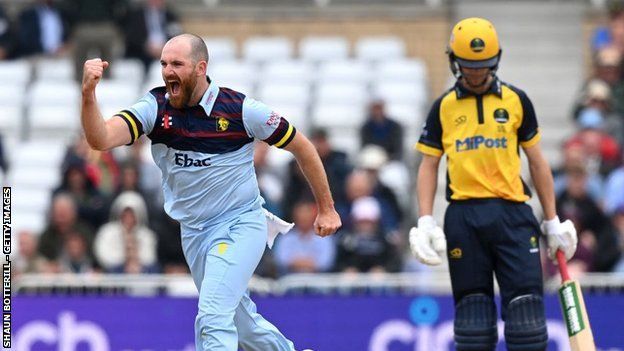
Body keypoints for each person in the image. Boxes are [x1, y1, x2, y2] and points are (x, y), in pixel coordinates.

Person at [80, 33, 341, 351]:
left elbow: (303, 147)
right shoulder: (155, 107)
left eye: (177, 64)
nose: (168, 71)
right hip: (194, 234)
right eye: (164, 64)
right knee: (243, 325)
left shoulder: (240, 109)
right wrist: (89, 95)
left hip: (240, 225)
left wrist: (326, 208)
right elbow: (100, 139)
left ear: (200, 67)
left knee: (213, 317)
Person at [410, 18, 578, 351]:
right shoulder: (443, 106)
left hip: (514, 215)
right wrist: (425, 220)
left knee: (527, 321)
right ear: (454, 61)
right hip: (464, 218)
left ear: (496, 60)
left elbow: (538, 162)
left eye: (483, 66)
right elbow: (429, 165)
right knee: (473, 325)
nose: (475, 73)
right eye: (468, 66)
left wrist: (551, 219)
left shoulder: (516, 100)